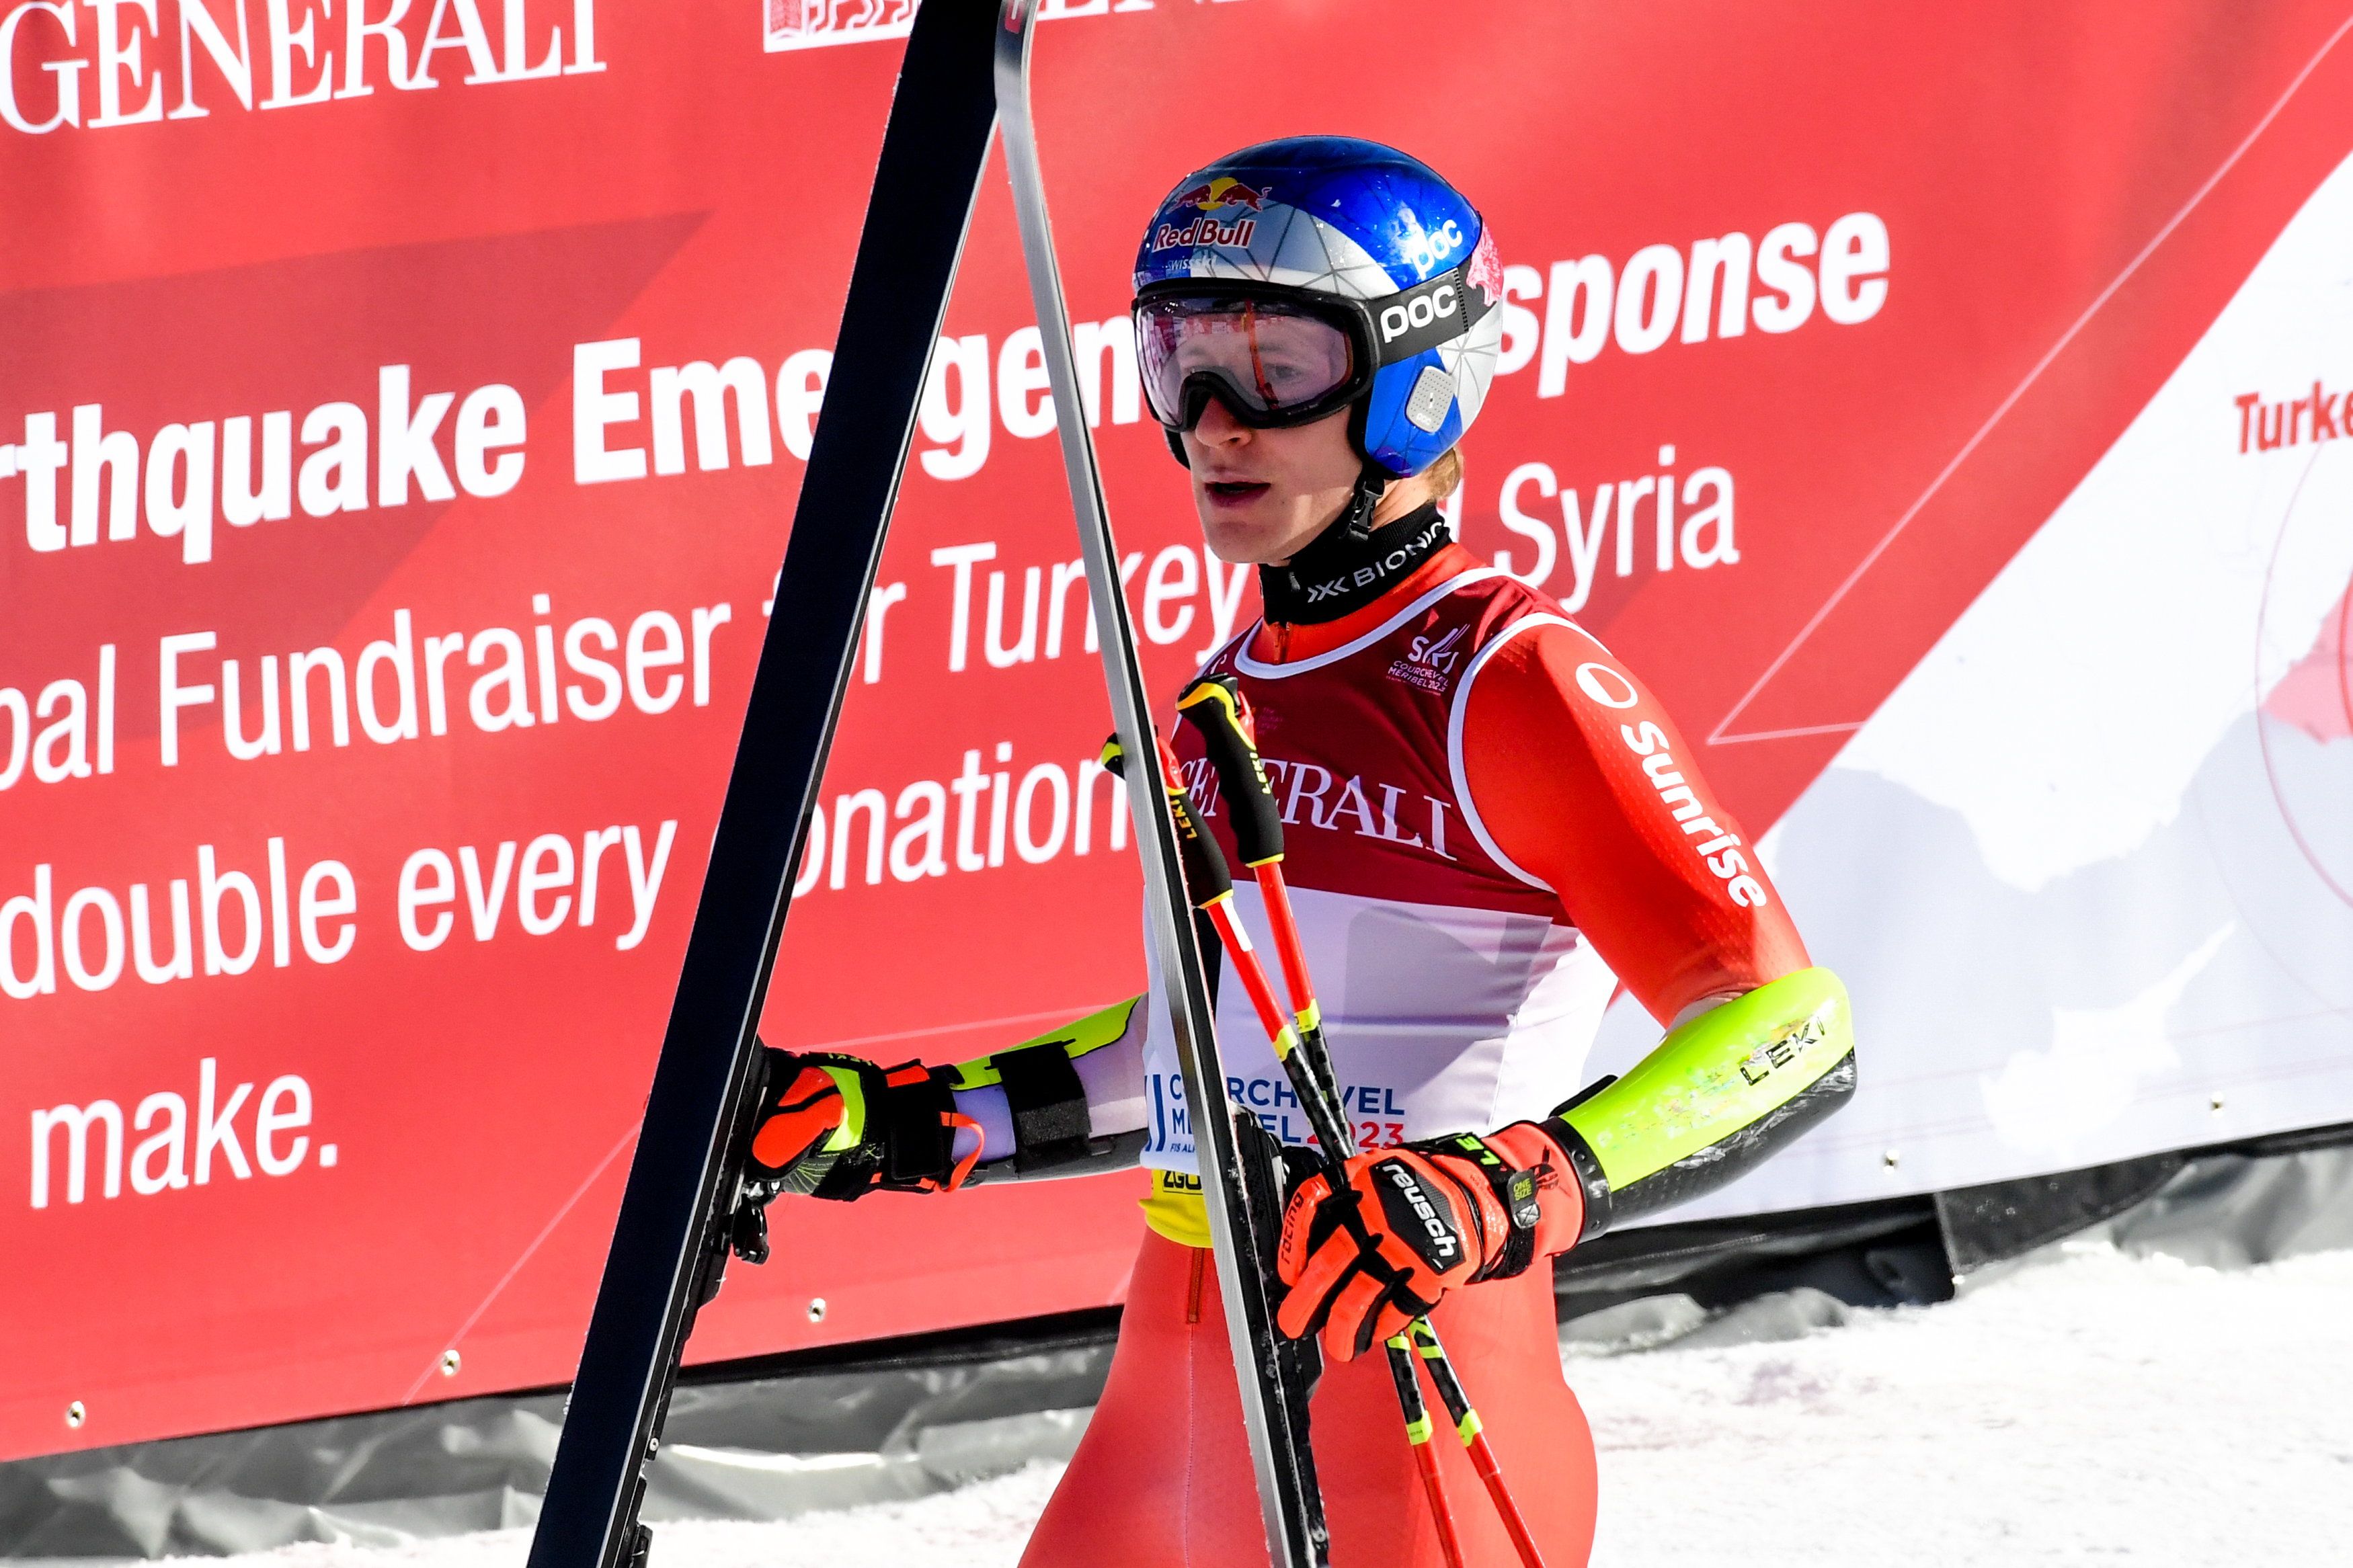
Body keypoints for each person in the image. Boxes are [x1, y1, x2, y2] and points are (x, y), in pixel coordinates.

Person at [744, 137, 1858, 1567]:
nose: (1211, 423)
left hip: (1410, 1387)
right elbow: (1207, 1058)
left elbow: (1789, 1027)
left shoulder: (1507, 681)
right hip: (1178, 1376)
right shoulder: (1230, 685)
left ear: (1414, 376)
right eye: (1177, 363)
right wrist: (921, 1119)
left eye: (1272, 373)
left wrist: (1508, 1185)